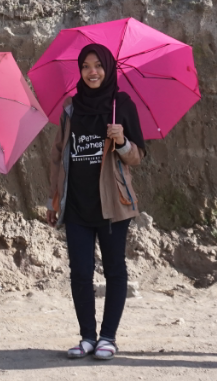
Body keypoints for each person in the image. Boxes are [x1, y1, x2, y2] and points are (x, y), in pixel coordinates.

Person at [46, 43, 145, 361]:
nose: (92, 72)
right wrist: (54, 198)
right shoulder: (71, 108)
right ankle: (87, 337)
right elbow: (58, 155)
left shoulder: (122, 104)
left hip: (113, 203)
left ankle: (108, 338)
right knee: (80, 272)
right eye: (86, 66)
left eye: (98, 65)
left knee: (115, 270)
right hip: (76, 203)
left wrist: (122, 141)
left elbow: (138, 156)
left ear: (108, 68)